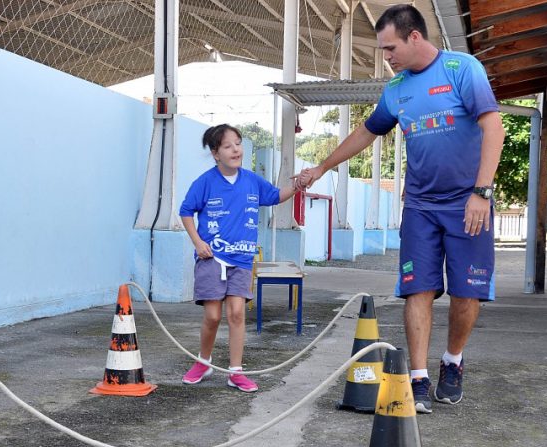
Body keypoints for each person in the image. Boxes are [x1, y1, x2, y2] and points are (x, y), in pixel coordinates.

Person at [297, 5, 505, 413]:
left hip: (468, 202)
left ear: (414, 37)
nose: (386, 56)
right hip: (421, 206)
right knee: (417, 288)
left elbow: (493, 126)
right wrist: (322, 166)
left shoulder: (462, 70)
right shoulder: (396, 91)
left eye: (390, 47)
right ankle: (420, 378)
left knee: (467, 293)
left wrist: (481, 191)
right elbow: (365, 132)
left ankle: (452, 360)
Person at [179, 124, 302, 392]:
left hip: (243, 260)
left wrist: (299, 184)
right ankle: (204, 361)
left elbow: (275, 196)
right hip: (212, 258)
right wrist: (198, 243)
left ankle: (235, 371)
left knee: (236, 313)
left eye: (238, 143)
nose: (235, 150)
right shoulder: (204, 183)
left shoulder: (251, 180)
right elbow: (186, 212)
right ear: (215, 154)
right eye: (227, 146)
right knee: (212, 316)